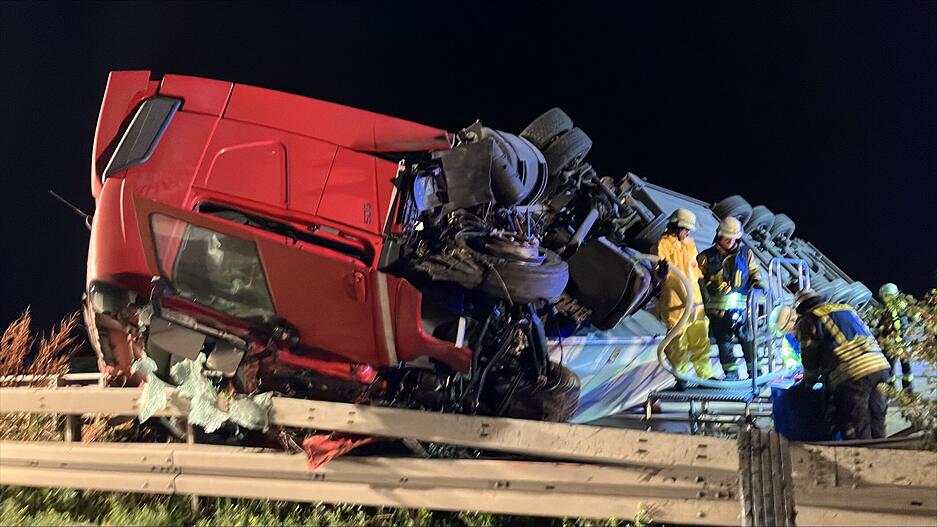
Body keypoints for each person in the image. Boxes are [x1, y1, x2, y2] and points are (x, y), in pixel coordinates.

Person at [793, 289, 891, 439]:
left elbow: (810, 359)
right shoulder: (846, 308)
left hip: (853, 375)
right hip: (880, 366)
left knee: (858, 427)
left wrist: (807, 382)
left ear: (801, 308)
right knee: (877, 420)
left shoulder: (808, 320)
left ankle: (863, 460)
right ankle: (883, 457)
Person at [697, 217, 766, 380]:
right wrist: (704, 299)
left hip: (741, 308)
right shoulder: (706, 257)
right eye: (725, 237)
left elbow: (754, 271)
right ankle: (731, 373)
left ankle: (755, 371)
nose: (729, 240)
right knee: (724, 342)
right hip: (717, 310)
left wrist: (757, 282)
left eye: (732, 237)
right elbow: (697, 279)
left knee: (747, 339)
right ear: (719, 236)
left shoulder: (745, 253)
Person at [653, 208, 713, 389]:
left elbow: (694, 269)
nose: (688, 231)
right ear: (675, 225)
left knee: (700, 338)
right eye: (685, 228)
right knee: (677, 341)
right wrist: (660, 271)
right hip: (675, 302)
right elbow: (658, 269)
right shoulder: (663, 243)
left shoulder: (690, 243)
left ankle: (706, 376)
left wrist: (703, 286)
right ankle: (682, 376)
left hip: (695, 302)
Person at [877, 283, 913, 392]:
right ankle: (905, 389)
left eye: (884, 297)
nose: (883, 300)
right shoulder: (896, 307)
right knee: (901, 367)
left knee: (894, 367)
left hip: (896, 343)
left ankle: (903, 390)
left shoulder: (897, 309)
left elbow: (899, 326)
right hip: (897, 342)